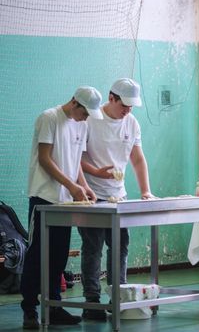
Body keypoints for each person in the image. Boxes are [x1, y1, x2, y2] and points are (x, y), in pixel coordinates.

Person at [21, 86, 103, 329]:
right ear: (74, 102)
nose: (85, 118)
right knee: (37, 254)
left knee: (58, 256)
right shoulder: (49, 118)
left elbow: (75, 161)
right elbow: (45, 158)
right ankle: (29, 308)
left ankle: (54, 306)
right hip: (44, 198)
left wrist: (84, 186)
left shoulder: (82, 125)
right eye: (84, 113)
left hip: (66, 201)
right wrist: (71, 186)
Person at [77, 78, 155, 321]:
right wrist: (93, 176)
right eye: (124, 105)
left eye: (131, 106)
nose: (127, 110)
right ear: (111, 98)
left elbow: (137, 159)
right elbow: (76, 158)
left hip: (118, 196)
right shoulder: (90, 120)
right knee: (93, 248)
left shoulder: (131, 123)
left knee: (120, 247)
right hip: (92, 195)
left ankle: (118, 296)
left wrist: (145, 190)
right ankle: (91, 301)